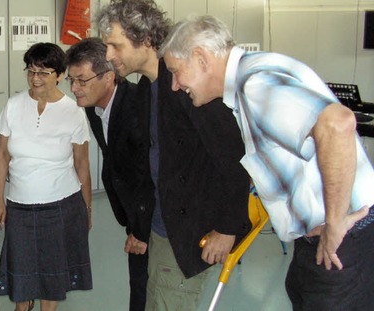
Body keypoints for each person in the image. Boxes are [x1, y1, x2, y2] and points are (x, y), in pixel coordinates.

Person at [161, 15, 374, 311]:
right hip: (316, 238)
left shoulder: (256, 85)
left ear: (201, 58)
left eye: (176, 72)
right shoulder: (251, 78)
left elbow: (338, 124)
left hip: (342, 241)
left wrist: (336, 223)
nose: (174, 85)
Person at [96, 1, 251, 310]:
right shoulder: (146, 89)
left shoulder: (190, 85)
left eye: (115, 45)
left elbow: (233, 159)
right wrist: (141, 229)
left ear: (145, 39)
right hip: (161, 226)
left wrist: (227, 228)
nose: (109, 56)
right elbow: (152, 166)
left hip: (188, 231)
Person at [0, 42, 93, 311]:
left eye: (43, 72)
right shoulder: (13, 106)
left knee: (52, 280)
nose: (35, 79)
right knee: (21, 284)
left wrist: (87, 209)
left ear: (60, 75)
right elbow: (2, 155)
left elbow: (82, 164)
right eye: (31, 71)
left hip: (61, 206)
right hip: (20, 207)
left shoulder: (73, 112)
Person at [65, 37, 154, 311]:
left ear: (109, 77)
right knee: (139, 285)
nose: (74, 88)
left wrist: (141, 231)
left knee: (153, 290)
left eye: (82, 80)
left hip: (156, 216)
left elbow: (148, 174)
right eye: (71, 80)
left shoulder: (138, 108)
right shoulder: (93, 106)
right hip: (134, 211)